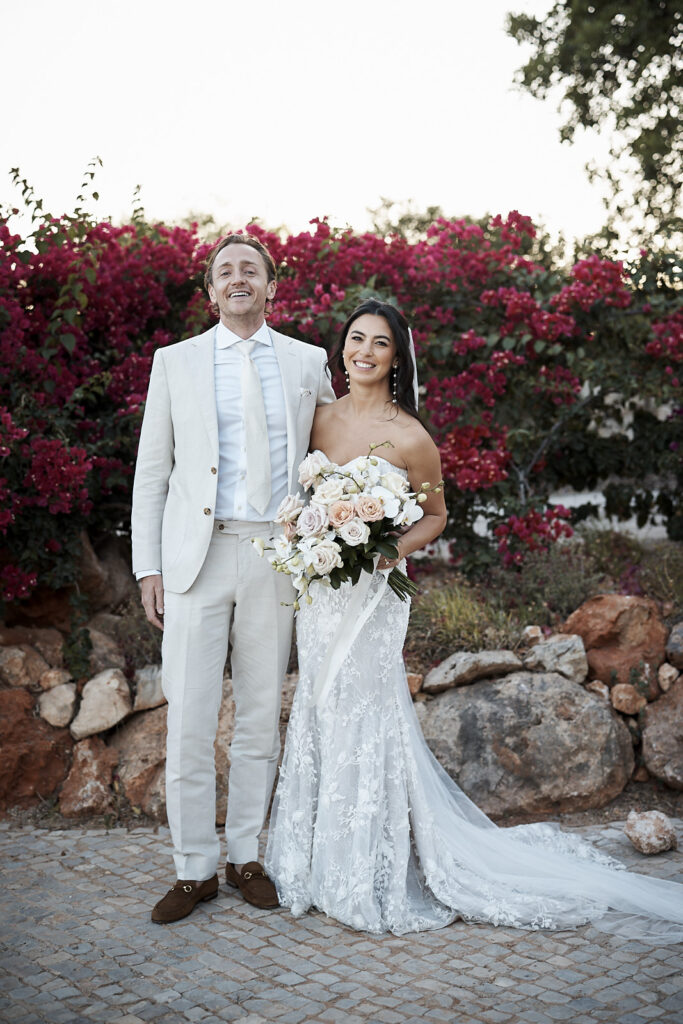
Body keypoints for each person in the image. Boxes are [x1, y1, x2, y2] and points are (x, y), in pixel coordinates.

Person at [265, 298, 683, 941]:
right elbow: (299, 495)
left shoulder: (412, 437)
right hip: (321, 596)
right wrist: (305, 535)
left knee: (367, 712)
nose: (365, 352)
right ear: (341, 347)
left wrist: (382, 551)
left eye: (380, 343)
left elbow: (434, 516)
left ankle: (366, 867)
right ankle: (313, 862)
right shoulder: (316, 420)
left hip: (376, 596)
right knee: (322, 709)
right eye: (356, 339)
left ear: (396, 357)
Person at [131, 234, 335, 923]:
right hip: (196, 557)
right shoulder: (175, 362)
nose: (238, 278)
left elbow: (331, 463)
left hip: (275, 557)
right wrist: (148, 566)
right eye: (226, 271)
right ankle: (193, 870)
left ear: (272, 287)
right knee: (187, 717)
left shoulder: (309, 363)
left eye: (251, 269)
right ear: (211, 292)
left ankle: (246, 855)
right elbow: (152, 471)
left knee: (258, 716)